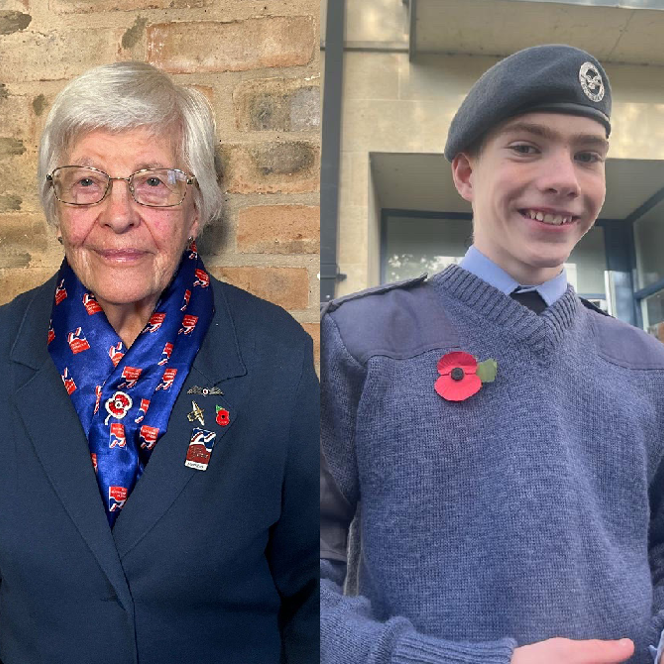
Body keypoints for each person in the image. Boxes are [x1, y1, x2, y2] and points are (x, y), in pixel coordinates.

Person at [320, 44, 664, 664]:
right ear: (466, 173)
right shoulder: (367, 338)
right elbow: (294, 579)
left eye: (588, 155)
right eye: (527, 147)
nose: (564, 179)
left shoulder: (646, 365)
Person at [0, 61, 318, 663]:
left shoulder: (276, 357)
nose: (119, 215)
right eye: (88, 182)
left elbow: (313, 594)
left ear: (196, 210)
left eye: (153, 182)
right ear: (56, 206)